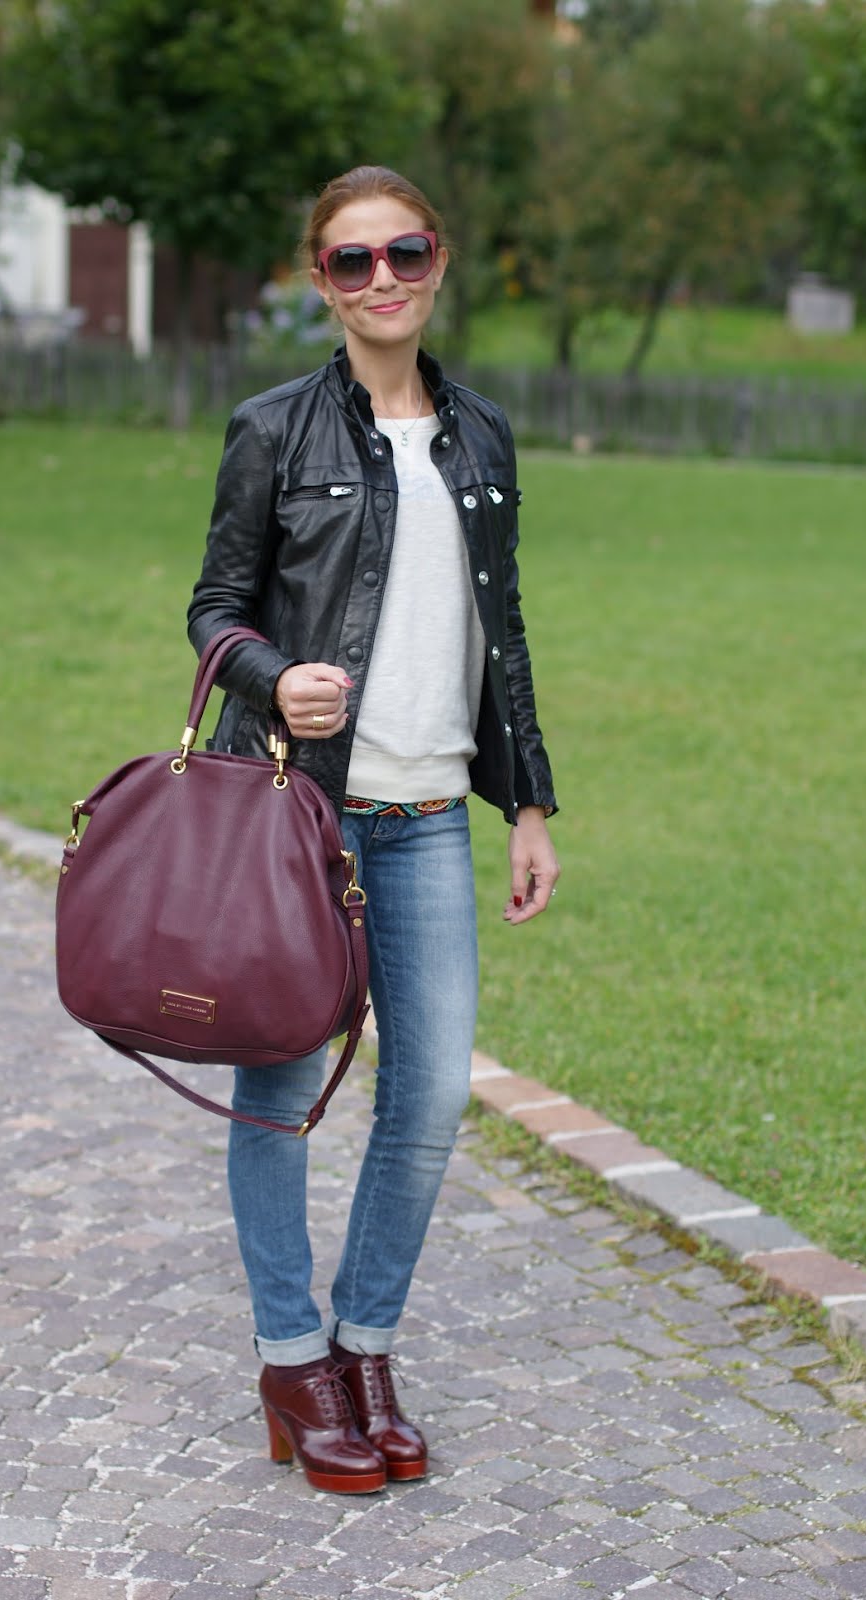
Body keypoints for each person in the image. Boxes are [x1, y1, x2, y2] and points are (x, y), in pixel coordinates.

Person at [188, 165, 559, 1495]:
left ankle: (365, 1344)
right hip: (302, 823)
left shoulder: (484, 437)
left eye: (404, 252)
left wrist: (528, 800)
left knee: (430, 1099)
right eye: (354, 262)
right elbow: (215, 608)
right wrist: (265, 676)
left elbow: (499, 638)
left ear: (439, 260)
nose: (383, 278)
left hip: (421, 824)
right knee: (279, 1099)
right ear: (321, 282)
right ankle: (292, 1362)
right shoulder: (274, 430)